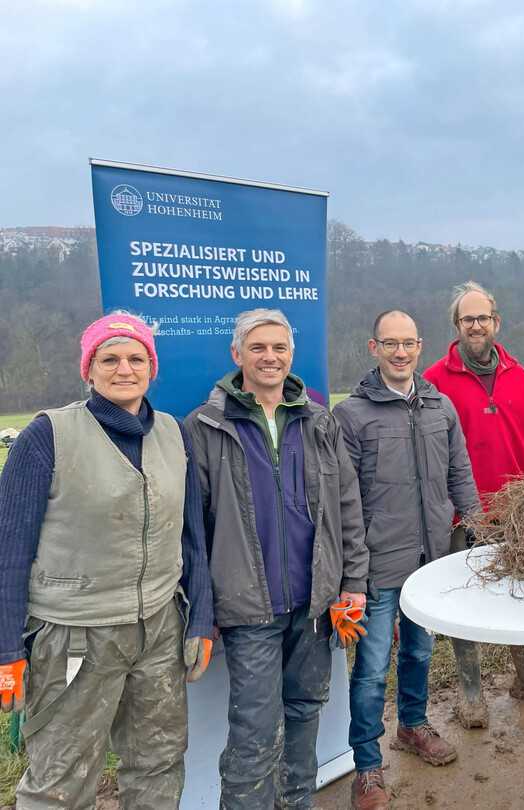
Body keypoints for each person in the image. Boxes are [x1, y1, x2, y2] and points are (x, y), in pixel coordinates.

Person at [0, 312, 213, 810]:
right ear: (88, 370)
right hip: (74, 635)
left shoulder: (173, 435)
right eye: (109, 358)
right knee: (61, 780)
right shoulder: (47, 436)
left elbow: (192, 538)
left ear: (151, 367)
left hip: (160, 629)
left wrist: (200, 616)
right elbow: (9, 551)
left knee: (158, 762)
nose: (124, 369)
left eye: (136, 358)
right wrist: (7, 649)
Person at [185, 308, 369, 810]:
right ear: (237, 354)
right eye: (259, 347)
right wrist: (201, 609)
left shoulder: (318, 420)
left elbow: (347, 507)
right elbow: (193, 532)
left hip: (316, 603)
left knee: (306, 711)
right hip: (249, 610)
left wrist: (353, 584)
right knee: (254, 730)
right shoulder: (205, 426)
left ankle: (298, 804)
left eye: (280, 347)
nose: (270, 357)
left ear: (292, 354)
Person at [334, 310, 481, 810]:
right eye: (389, 344)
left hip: (431, 562)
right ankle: (367, 765)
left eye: (408, 344)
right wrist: (355, 567)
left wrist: (478, 528)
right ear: (373, 348)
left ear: (421, 346)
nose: (400, 353)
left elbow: (460, 474)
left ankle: (413, 726)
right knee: (372, 667)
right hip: (377, 565)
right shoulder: (350, 416)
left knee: (419, 653)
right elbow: (344, 500)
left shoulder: (440, 407)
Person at [422, 281, 524, 728]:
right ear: (456, 326)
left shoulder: (520, 374)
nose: (475, 325)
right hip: (461, 515)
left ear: (496, 322)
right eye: (466, 319)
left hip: (517, 511)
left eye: (482, 317)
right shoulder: (435, 380)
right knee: (465, 603)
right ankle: (471, 692)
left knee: (521, 595)